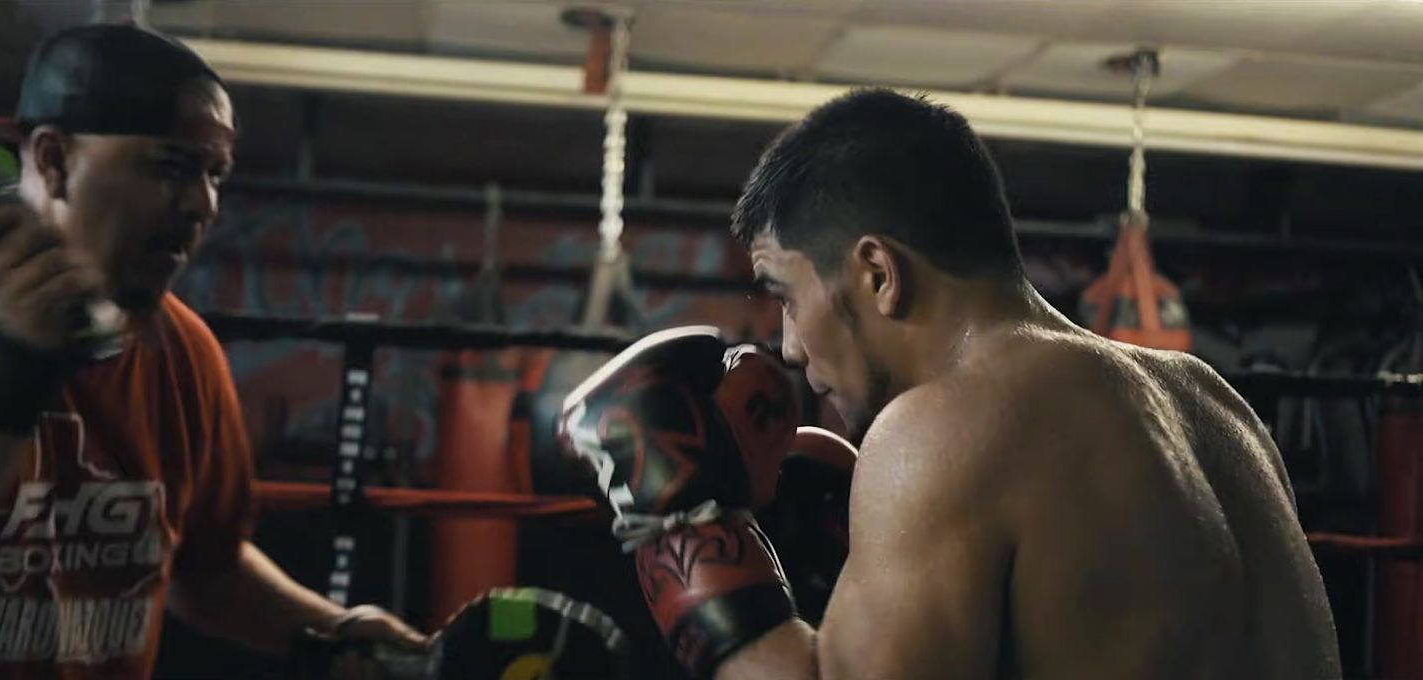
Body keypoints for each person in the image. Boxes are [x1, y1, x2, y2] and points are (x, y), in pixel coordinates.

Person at [563, 87, 1342, 680]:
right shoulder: (1212, 404)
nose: (789, 347)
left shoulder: (943, 429)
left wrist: (681, 533)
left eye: (784, 295)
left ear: (876, 273)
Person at [0, 24, 423, 679]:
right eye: (169, 166)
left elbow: (209, 570)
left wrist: (330, 630)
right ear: (53, 159)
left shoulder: (183, 351)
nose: (201, 204)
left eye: (214, 174)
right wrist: (20, 374)